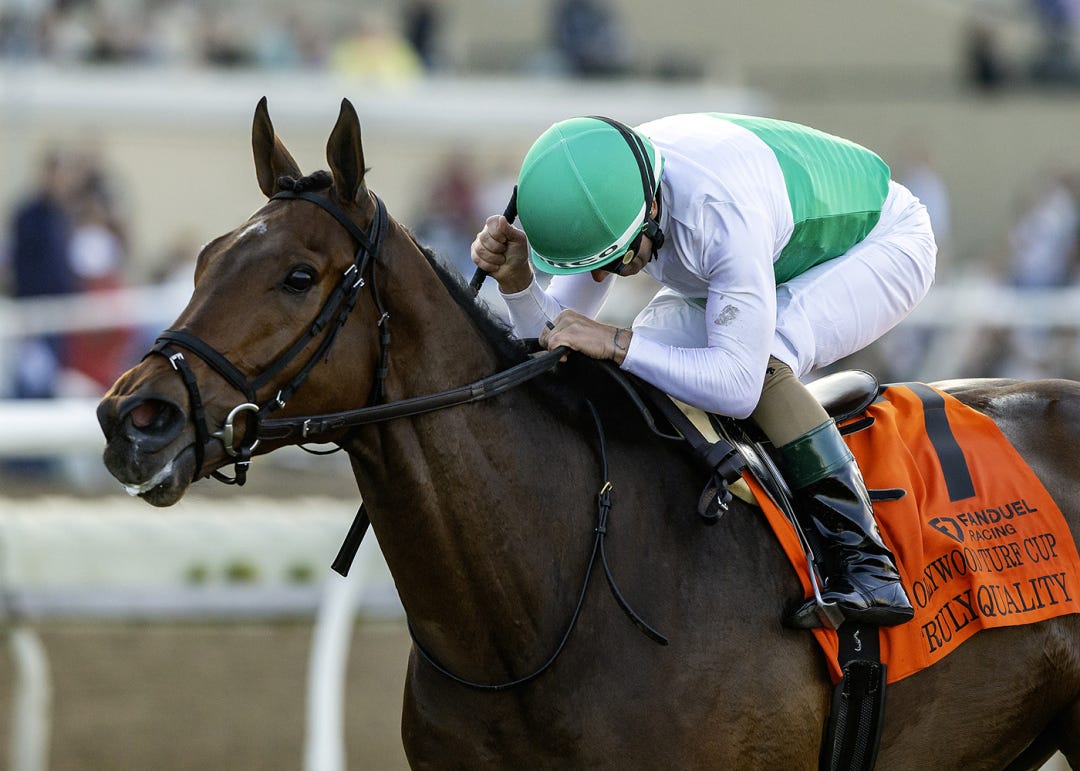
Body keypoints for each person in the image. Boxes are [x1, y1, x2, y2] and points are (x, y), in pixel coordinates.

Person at [471, 113, 937, 628]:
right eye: (589, 266)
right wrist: (517, 283)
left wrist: (618, 342)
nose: (601, 277)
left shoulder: (715, 213)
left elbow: (738, 386)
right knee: (649, 354)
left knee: (763, 358)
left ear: (650, 210)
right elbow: (556, 340)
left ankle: (869, 565)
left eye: (616, 262)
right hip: (763, 247)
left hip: (882, 242)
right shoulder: (616, 189)